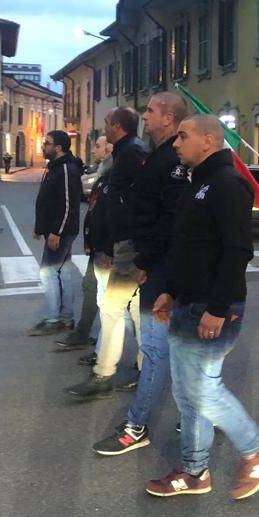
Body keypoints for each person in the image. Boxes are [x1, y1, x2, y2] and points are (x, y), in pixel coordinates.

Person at [147, 114, 259, 499]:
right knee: (187, 394)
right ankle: (194, 472)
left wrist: (218, 308)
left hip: (212, 306)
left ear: (208, 141)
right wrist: (170, 291)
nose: (175, 143)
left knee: (203, 392)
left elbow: (238, 249)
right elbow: (189, 246)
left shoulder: (228, 184)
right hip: (187, 303)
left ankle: (257, 450)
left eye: (183, 136)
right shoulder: (199, 183)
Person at [92, 93, 189, 454]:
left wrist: (145, 262)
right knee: (172, 349)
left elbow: (169, 218)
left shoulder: (174, 158)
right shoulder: (157, 155)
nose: (144, 117)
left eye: (150, 112)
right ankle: (200, 414)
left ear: (169, 118)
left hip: (160, 267)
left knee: (155, 348)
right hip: (156, 262)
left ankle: (137, 425)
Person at [66, 107, 147, 399]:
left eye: (106, 124)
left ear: (116, 126)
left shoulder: (131, 154)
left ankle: (104, 374)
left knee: (114, 309)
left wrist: (117, 244)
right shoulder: (128, 152)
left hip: (126, 247)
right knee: (135, 311)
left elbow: (131, 205)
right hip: (123, 245)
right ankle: (142, 367)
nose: (105, 129)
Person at [57, 135, 113, 352]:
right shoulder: (102, 175)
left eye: (98, 146)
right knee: (91, 288)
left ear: (109, 150)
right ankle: (90, 338)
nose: (93, 150)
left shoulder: (112, 177)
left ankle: (101, 346)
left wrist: (106, 247)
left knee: (112, 303)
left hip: (107, 248)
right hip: (98, 245)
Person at [29, 130, 84, 336]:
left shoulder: (67, 169)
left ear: (58, 148)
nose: (44, 146)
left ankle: (54, 318)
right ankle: (65, 318)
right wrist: (39, 226)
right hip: (54, 230)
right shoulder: (55, 167)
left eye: (47, 143)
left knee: (49, 272)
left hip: (61, 231)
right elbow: (48, 200)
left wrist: (56, 232)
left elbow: (68, 205)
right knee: (62, 272)